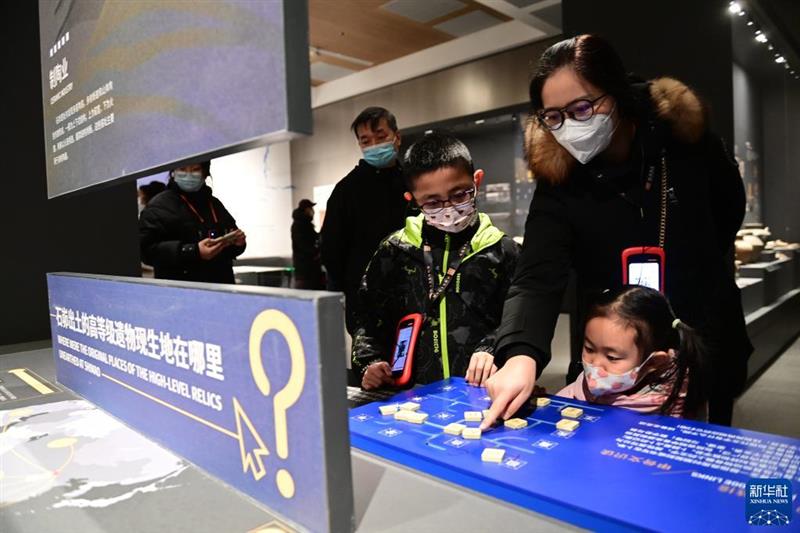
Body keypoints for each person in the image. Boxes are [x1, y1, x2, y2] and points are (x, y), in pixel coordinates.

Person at [481, 34, 751, 430]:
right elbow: (537, 275)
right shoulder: (559, 175)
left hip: (696, 331)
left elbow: (728, 211)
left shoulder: (683, 140)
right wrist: (520, 355)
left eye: (582, 108)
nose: (570, 126)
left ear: (617, 93)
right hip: (610, 348)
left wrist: (694, 266)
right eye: (553, 116)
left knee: (701, 440)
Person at [353, 132, 520, 389]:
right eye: (432, 203)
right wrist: (370, 363)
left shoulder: (502, 251)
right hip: (410, 395)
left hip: (481, 390)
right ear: (412, 199)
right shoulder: (395, 251)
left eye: (459, 195)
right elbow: (366, 318)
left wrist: (492, 349)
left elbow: (519, 321)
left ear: (476, 181)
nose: (449, 208)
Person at [320, 107, 411, 333]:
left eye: (381, 137)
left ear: (397, 137)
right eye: (366, 141)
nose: (374, 145)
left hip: (414, 297)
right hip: (366, 302)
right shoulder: (346, 190)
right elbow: (331, 250)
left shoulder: (413, 182)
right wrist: (351, 288)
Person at [557, 286, 707, 419]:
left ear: (653, 362)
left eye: (612, 357)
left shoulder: (672, 406)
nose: (595, 364)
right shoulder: (581, 388)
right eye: (589, 349)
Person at [139, 161, 246, 284]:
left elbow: (230, 239)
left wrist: (237, 244)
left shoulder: (214, 203)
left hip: (221, 285)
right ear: (173, 172)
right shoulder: (158, 205)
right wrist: (193, 251)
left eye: (195, 169)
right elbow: (146, 251)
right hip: (180, 288)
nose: (188, 175)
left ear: (205, 173)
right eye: (182, 169)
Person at [291, 199, 325, 290]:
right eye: (311, 208)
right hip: (306, 271)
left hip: (307, 270)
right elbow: (304, 246)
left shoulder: (304, 224)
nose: (313, 211)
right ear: (306, 209)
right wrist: (316, 252)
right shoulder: (300, 225)